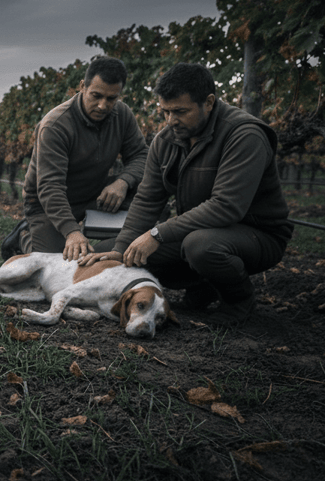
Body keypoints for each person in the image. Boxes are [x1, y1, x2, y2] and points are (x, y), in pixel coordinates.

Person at [82, 62, 293, 326]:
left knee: (201, 247)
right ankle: (204, 283)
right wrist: (123, 246)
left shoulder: (244, 135)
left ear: (209, 102)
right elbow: (148, 198)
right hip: (199, 230)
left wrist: (157, 234)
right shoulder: (166, 139)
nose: (171, 121)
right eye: (165, 112)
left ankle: (239, 300)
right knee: (112, 251)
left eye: (180, 112)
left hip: (257, 235)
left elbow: (226, 206)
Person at [8, 56, 148, 261]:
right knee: (55, 264)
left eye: (111, 99)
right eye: (96, 96)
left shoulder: (122, 114)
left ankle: (110, 249)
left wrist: (123, 181)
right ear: (82, 86)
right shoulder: (55, 126)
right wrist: (72, 232)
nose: (102, 105)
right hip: (47, 204)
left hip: (94, 194)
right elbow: (50, 187)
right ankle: (23, 237)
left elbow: (141, 155)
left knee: (149, 198)